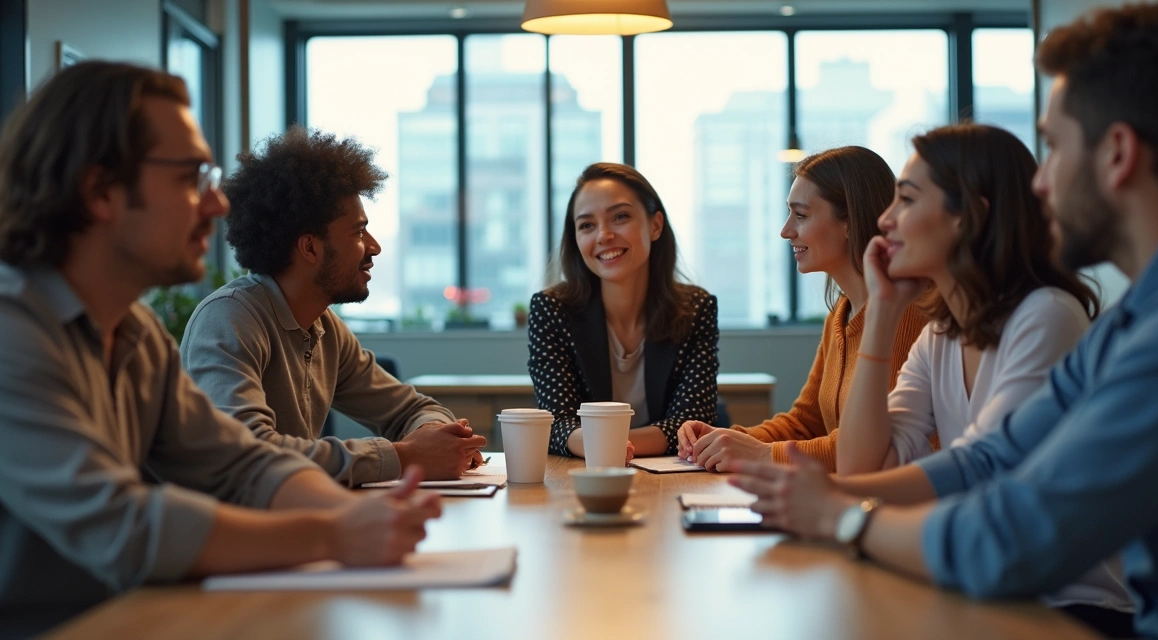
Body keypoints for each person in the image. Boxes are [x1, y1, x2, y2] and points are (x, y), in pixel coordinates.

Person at [729, 6, 1158, 639]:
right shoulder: (1138, 316)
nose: (1040, 185)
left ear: (1117, 154)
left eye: (1054, 148)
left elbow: (1017, 534)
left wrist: (844, 517)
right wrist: (831, 498)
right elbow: (988, 459)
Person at [0, 62, 440, 635]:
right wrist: (333, 532)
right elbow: (124, 525)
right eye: (191, 178)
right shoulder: (13, 332)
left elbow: (242, 464)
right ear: (101, 191)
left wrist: (360, 513)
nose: (217, 204)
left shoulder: (136, 333)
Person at [180, 126, 485, 486]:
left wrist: (435, 434)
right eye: (358, 232)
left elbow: (410, 409)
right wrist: (405, 456)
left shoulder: (324, 326)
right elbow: (249, 454)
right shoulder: (228, 319)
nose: (374, 247)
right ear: (310, 248)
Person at [835, 123, 1099, 476]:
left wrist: (831, 495)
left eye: (907, 199)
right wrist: (881, 312)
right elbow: (860, 467)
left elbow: (981, 471)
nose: (885, 219)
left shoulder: (1047, 316)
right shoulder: (940, 335)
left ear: (969, 215)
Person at [676, 147, 927, 472]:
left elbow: (880, 447)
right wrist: (725, 439)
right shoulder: (840, 314)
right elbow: (805, 424)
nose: (786, 231)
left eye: (801, 215)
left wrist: (763, 454)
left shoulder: (909, 315)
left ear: (850, 222)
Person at [528, 162, 718, 460]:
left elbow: (692, 424)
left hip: (671, 475)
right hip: (583, 475)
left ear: (655, 225)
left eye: (620, 217)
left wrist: (606, 445)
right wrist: (603, 447)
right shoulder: (552, 310)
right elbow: (555, 422)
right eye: (587, 225)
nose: (603, 235)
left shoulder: (695, 308)